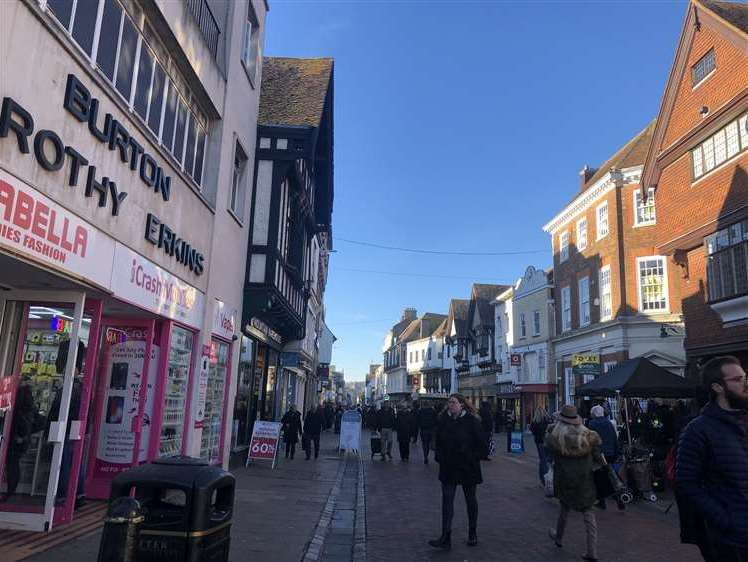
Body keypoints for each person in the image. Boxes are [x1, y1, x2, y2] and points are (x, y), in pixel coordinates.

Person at [676, 356, 748, 562]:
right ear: (718, 387)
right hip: (730, 540)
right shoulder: (698, 430)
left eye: (745, 378)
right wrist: (724, 519)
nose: (745, 384)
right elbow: (686, 482)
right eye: (737, 380)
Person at [428, 394, 488, 550]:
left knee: (470, 500)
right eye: (449, 402)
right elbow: (437, 441)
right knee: (447, 502)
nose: (450, 405)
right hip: (448, 467)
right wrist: (439, 456)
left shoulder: (472, 422)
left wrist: (471, 456)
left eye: (453, 402)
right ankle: (445, 536)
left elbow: (483, 446)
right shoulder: (443, 421)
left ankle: (472, 533)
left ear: (462, 405)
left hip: (468, 467)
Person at [545, 404, 603, 562]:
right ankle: (592, 550)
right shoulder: (588, 436)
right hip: (584, 479)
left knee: (564, 509)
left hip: (565, 479)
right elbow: (599, 458)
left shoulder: (555, 436)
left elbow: (547, 448)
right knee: (589, 515)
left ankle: (558, 537)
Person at [587, 404, 623, 510]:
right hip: (610, 454)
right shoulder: (609, 423)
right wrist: (617, 453)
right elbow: (614, 439)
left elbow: (590, 440)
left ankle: (602, 501)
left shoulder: (592, 423)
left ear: (593, 414)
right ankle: (618, 498)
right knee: (611, 476)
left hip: (599, 455)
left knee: (598, 478)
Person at [529, 406, 551, 487]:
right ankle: (546, 478)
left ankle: (542, 478)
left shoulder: (535, 421)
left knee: (542, 460)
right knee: (546, 460)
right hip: (546, 442)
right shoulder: (547, 420)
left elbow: (532, 430)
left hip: (538, 442)